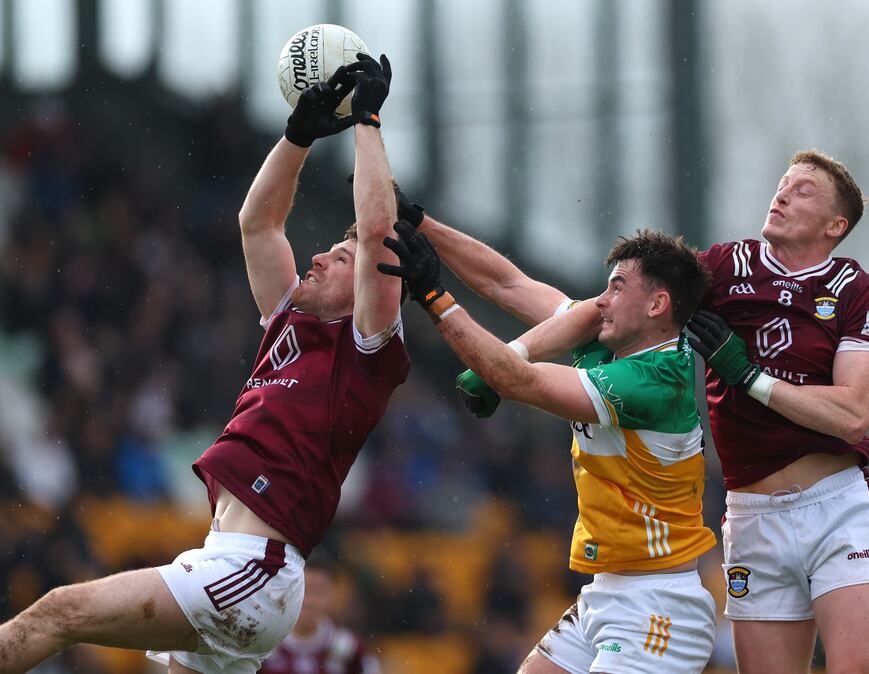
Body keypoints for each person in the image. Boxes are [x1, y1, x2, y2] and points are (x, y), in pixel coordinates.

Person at [0, 54, 408, 674]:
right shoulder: (290, 323)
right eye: (329, 245)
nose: (323, 255)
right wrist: (300, 132)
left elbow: (381, 236)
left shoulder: (364, 353)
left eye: (340, 255)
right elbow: (258, 224)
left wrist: (367, 120)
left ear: (367, 288)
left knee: (57, 611)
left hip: (251, 570)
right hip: (233, 564)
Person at [378, 218, 719, 674]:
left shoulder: (654, 380)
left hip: (658, 607)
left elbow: (519, 379)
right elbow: (507, 283)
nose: (601, 301)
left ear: (658, 304)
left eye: (617, 287)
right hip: (605, 594)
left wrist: (435, 298)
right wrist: (420, 224)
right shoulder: (615, 342)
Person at [684, 149, 869, 674]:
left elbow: (853, 414)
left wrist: (750, 377)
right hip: (753, 522)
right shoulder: (722, 267)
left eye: (803, 190)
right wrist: (512, 358)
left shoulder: (857, 291)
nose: (781, 194)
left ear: (834, 225)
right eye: (782, 184)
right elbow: (621, 306)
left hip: (838, 511)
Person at [259, 561, 381, 674]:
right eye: (303, 589)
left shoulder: (350, 649)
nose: (309, 601)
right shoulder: (261, 644)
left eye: (318, 591)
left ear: (332, 595)